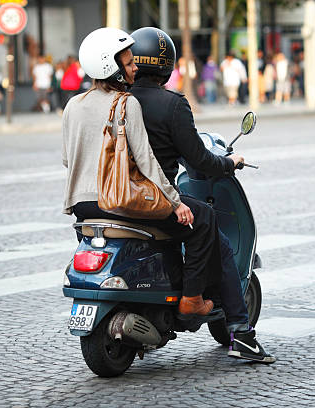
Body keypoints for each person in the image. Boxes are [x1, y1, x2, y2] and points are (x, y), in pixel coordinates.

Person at [129, 26, 275, 364]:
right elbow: (197, 159)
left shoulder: (118, 100)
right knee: (211, 229)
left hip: (113, 199)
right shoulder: (172, 104)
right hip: (156, 199)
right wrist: (228, 163)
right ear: (167, 65)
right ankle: (238, 331)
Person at [63, 27, 221, 319]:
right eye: (128, 62)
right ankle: (192, 300)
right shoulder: (126, 103)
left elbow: (67, 158)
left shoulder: (73, 105)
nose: (135, 66)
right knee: (202, 220)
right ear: (112, 67)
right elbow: (147, 162)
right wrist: (176, 202)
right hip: (119, 201)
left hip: (82, 207)